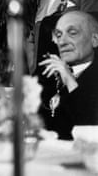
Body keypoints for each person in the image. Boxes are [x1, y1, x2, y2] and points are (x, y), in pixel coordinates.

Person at [38, 11, 98, 140]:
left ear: (95, 40)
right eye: (59, 35)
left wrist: (70, 80)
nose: (62, 42)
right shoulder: (50, 76)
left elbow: (88, 127)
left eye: (72, 33)